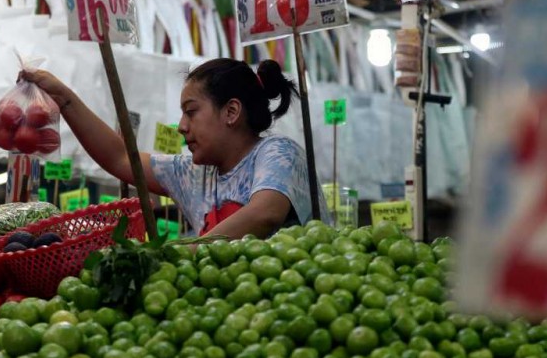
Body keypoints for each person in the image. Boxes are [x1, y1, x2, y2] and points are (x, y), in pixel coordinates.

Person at [21, 58, 324, 240]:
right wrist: (64, 99)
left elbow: (265, 212)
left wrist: (184, 253)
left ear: (231, 112)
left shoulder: (277, 152)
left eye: (191, 112)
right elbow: (120, 157)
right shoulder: (194, 173)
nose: (181, 126)